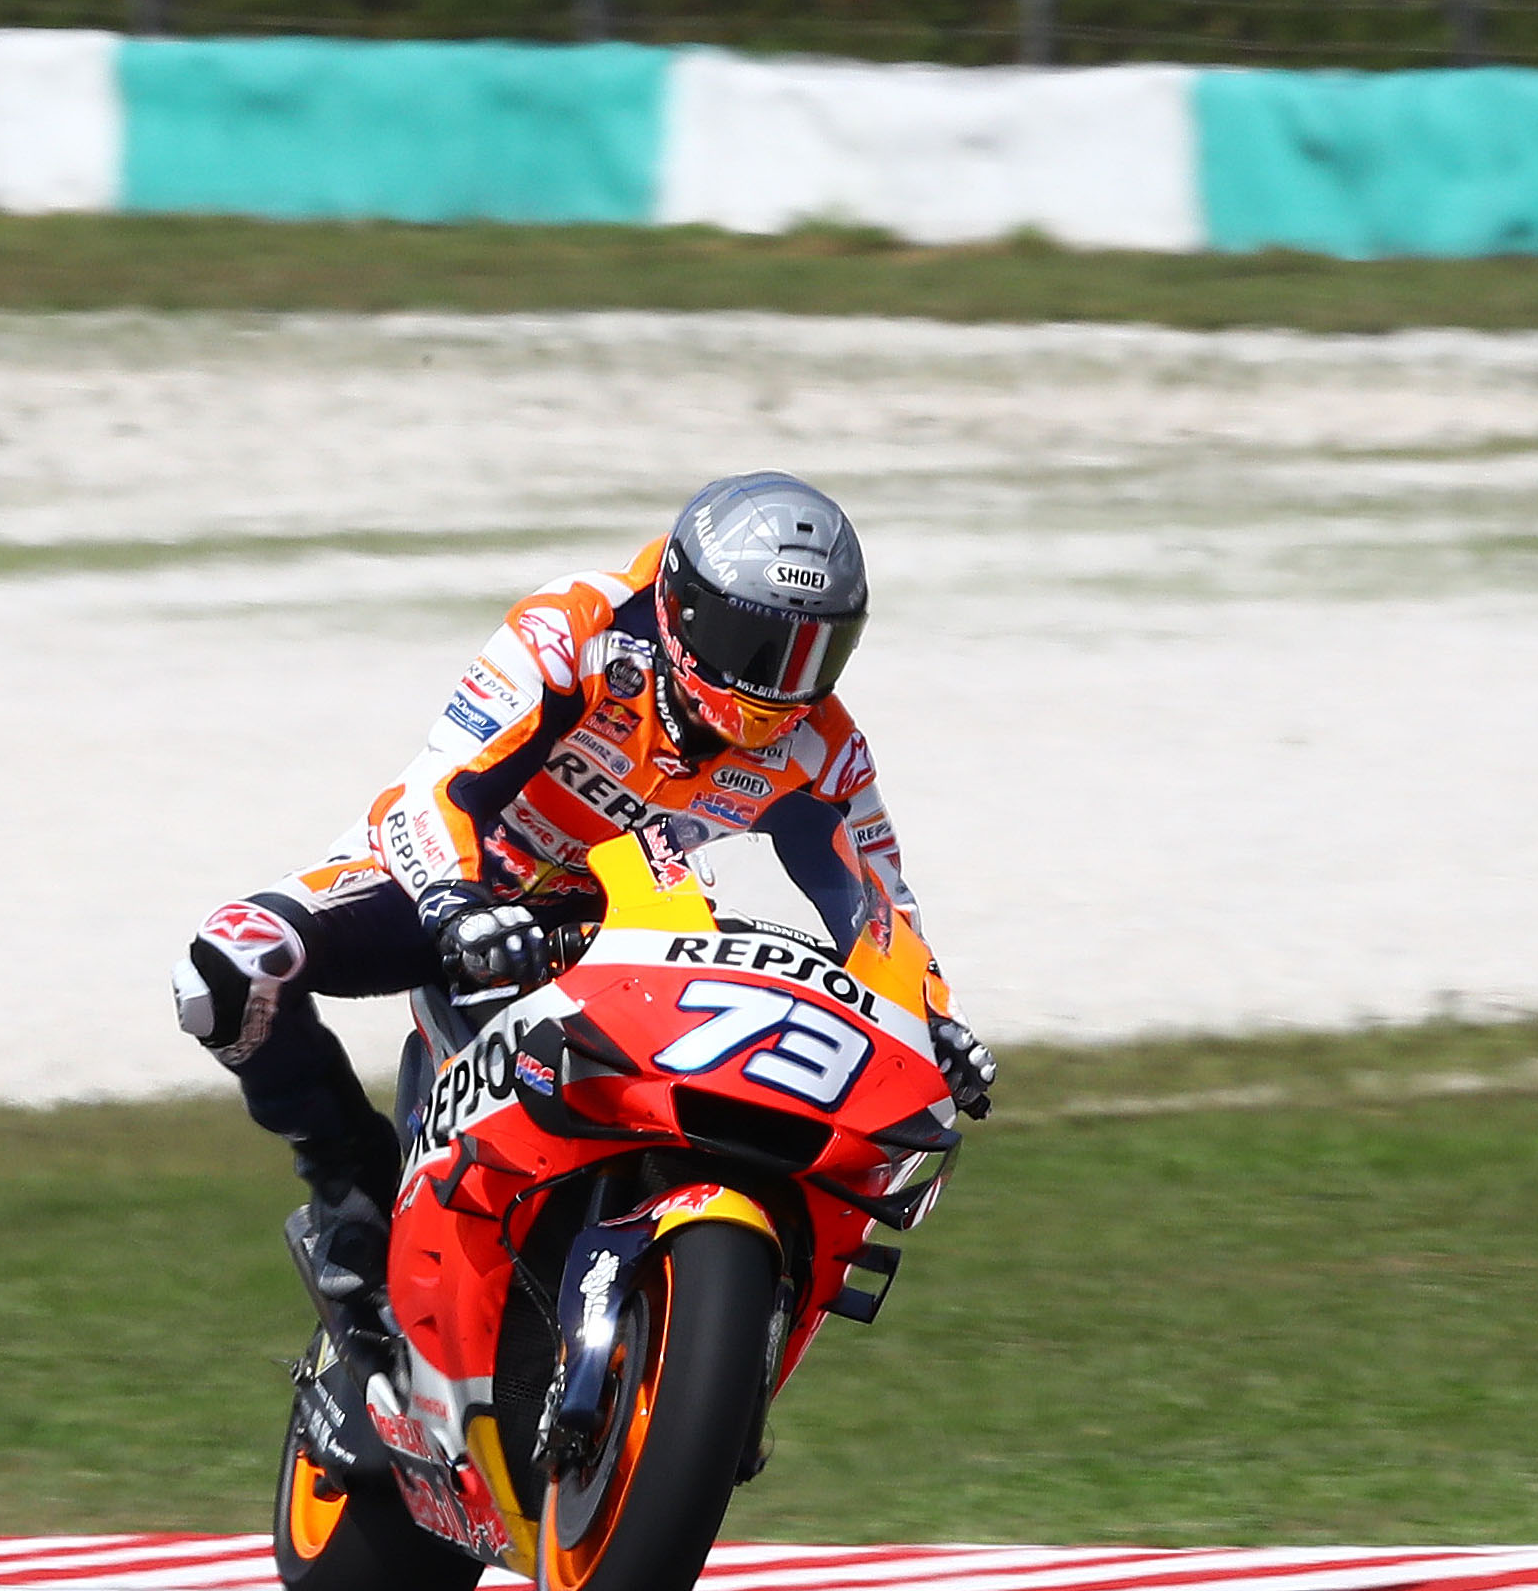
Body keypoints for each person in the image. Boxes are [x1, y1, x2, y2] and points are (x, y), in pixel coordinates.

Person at [169, 471, 996, 1334]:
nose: (776, 686)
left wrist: (932, 1016)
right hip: (445, 881)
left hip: (614, 929)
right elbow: (437, 784)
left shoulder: (824, 747)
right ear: (680, 605)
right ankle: (347, 1191)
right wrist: (455, 901)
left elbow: (877, 901)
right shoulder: (577, 627)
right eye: (753, 644)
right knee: (226, 966)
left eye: (811, 656)